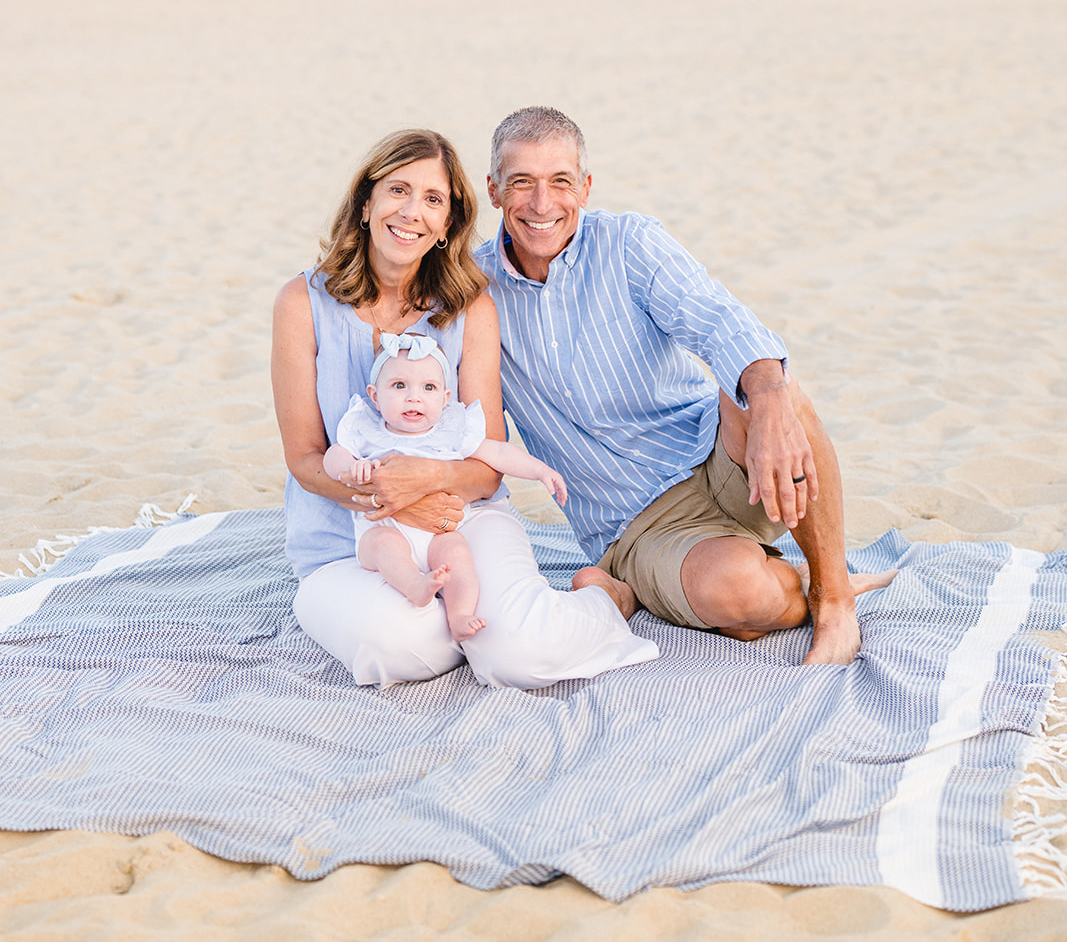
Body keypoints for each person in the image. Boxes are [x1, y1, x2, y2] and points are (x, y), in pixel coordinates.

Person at [477, 106, 896, 667]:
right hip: (638, 526)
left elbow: (721, 322)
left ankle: (835, 595)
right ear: (493, 191)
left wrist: (770, 399)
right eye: (521, 182)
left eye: (560, 181)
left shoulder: (628, 244)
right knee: (743, 599)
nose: (542, 203)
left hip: (714, 452)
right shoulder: (473, 294)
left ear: (586, 186)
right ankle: (763, 578)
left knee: (774, 383)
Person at [271, 126, 658, 687]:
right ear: (365, 203)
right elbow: (305, 458)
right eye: (398, 190)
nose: (412, 212)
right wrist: (393, 498)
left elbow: (484, 464)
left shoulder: (470, 306)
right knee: (400, 647)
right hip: (348, 540)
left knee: (520, 655)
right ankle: (470, 628)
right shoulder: (301, 302)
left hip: (463, 519)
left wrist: (426, 485)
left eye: (433, 200)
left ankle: (602, 600)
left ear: (448, 224)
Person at [324, 331, 568, 641]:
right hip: (384, 529)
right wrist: (349, 467)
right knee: (384, 545)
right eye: (399, 386)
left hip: (439, 533)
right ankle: (414, 585)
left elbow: (499, 452)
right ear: (375, 396)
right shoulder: (366, 429)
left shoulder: (451, 430)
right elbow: (332, 456)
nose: (414, 397)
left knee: (457, 553)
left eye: (428, 388)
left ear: (445, 398)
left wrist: (541, 471)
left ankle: (460, 614)